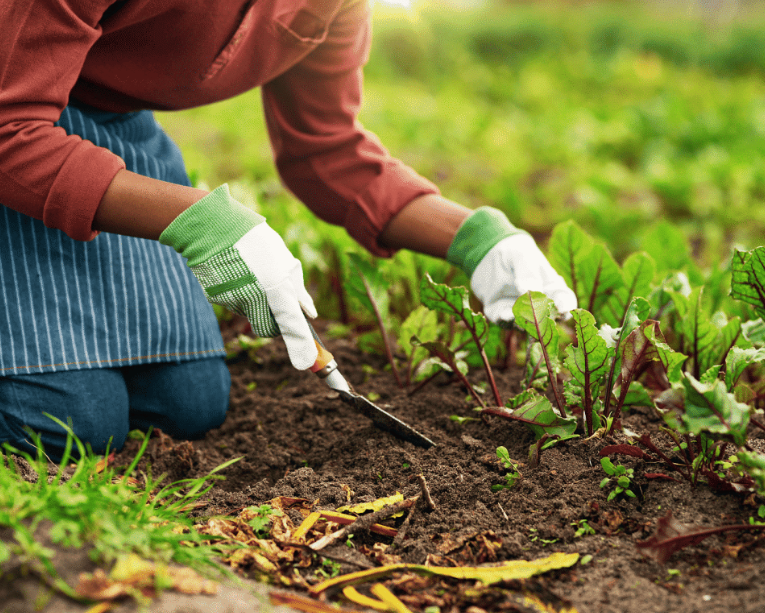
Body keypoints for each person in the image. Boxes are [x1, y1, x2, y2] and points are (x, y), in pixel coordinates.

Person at [0, 0, 577, 461]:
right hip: (18, 127)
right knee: (68, 422)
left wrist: (481, 240)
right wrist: (201, 220)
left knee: (189, 404)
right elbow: (10, 126)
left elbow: (328, 152)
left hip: (112, 135)